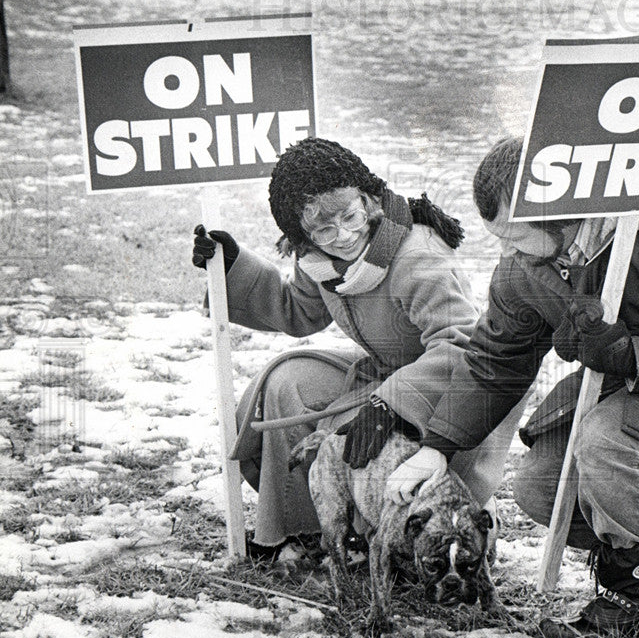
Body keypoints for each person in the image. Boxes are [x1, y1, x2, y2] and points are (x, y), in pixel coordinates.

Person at [346, 137, 639, 638]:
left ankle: (636, 595)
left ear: (563, 213)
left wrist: (631, 353)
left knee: (603, 442)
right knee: (542, 487)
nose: (507, 251)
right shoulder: (525, 267)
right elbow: (495, 361)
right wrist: (438, 447)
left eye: (515, 236)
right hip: (620, 378)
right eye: (499, 237)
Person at [191, 137, 522, 561]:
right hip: (386, 379)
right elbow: (298, 312)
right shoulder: (318, 257)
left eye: (351, 216)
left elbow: (460, 346)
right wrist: (232, 264)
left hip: (451, 395)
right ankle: (308, 530)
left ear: (369, 200)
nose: (344, 236)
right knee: (286, 383)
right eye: (324, 229)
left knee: (361, 440)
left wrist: (391, 404)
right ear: (302, 234)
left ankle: (456, 515)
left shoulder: (417, 256)